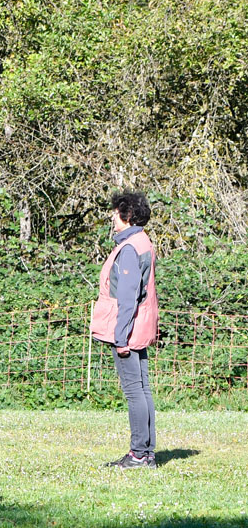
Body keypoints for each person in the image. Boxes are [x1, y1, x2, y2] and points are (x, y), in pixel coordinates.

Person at [90, 191, 159, 469]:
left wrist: (121, 338)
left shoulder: (130, 248)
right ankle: (147, 452)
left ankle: (138, 455)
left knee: (134, 392)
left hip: (129, 330)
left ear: (127, 216)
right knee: (143, 389)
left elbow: (128, 297)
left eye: (115, 212)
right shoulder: (142, 242)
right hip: (139, 326)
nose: (112, 217)